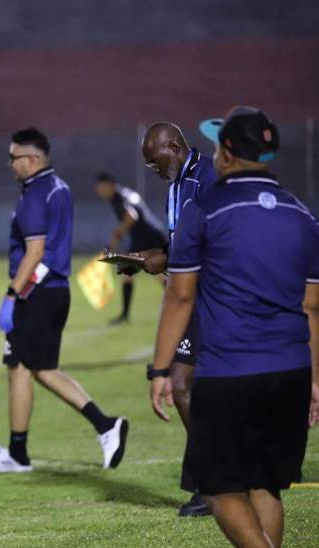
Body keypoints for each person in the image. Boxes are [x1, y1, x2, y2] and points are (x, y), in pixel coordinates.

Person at [149, 106, 318, 548]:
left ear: (226, 154)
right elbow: (313, 307)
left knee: (220, 487)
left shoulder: (204, 210)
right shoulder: (302, 215)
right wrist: (317, 380)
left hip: (231, 370)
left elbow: (181, 293)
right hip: (291, 369)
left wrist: (160, 370)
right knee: (266, 487)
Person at [0, 128, 128, 474]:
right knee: (19, 367)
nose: (9, 163)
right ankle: (17, 452)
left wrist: (13, 294)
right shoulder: (58, 187)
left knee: (42, 369)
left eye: (14, 157)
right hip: (53, 290)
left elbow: (36, 251)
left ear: (32, 159)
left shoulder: (34, 195)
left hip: (36, 292)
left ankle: (106, 425)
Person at [141, 122, 217, 517]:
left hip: (213, 296)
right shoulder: (176, 186)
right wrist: (148, 259)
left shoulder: (208, 177)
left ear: (174, 145)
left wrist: (165, 259)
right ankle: (213, 481)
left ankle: (218, 481)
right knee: (181, 382)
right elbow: (179, 243)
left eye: (156, 161)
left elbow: (212, 240)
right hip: (188, 296)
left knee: (192, 383)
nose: (155, 170)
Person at [94, 172, 166, 324]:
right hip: (149, 235)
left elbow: (132, 216)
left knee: (155, 273)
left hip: (147, 237)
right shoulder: (125, 193)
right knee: (139, 273)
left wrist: (118, 233)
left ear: (110, 185)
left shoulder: (118, 197)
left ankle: (183, 303)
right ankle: (125, 315)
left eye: (101, 188)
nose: (100, 192)